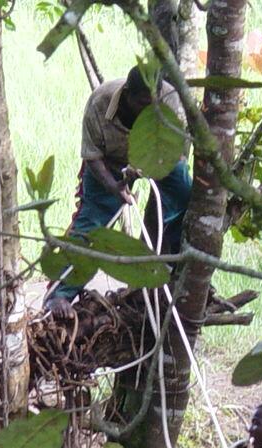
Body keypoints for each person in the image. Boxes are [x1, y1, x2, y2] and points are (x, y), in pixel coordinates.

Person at [46, 66, 192, 320]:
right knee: (92, 223)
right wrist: (114, 187)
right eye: (142, 103)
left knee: (183, 196)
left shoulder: (170, 100)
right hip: (109, 162)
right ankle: (60, 293)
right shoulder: (99, 103)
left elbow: (177, 150)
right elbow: (92, 156)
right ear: (127, 94)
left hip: (159, 156)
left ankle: (171, 271)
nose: (149, 111)